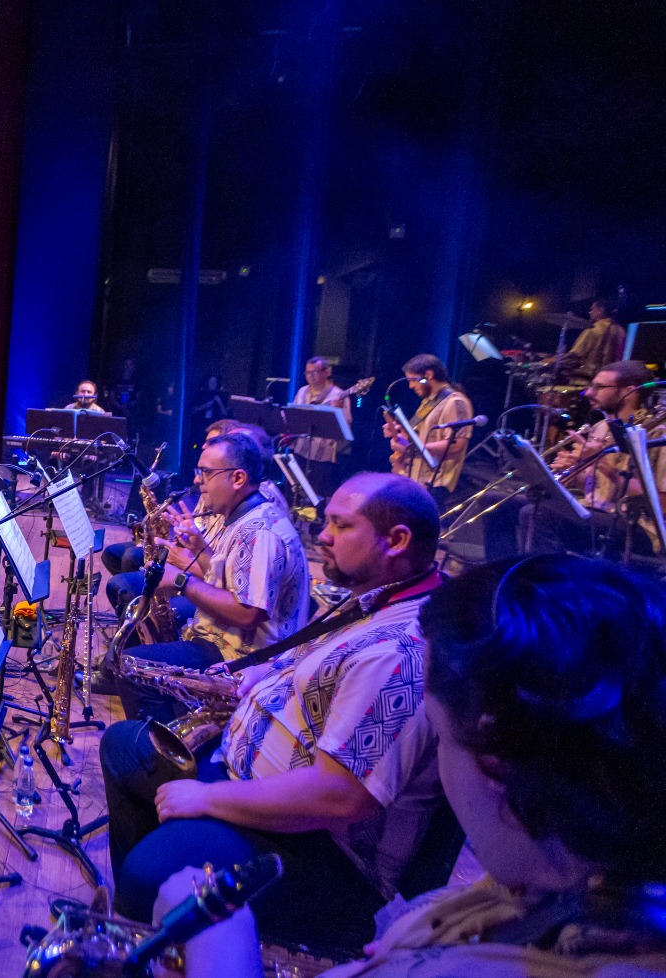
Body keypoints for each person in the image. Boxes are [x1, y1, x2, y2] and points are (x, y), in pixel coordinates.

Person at [164, 553, 666, 978]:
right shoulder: (578, 875)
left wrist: (219, 940)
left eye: (441, 738)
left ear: (495, 763)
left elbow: (341, 796)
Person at [102, 473, 446, 950]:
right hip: (253, 782)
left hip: (317, 852)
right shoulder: (375, 598)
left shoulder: (400, 651)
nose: (322, 536)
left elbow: (340, 798)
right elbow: (309, 657)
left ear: (397, 540)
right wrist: (257, 676)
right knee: (122, 747)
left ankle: (152, 918)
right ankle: (160, 931)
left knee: (148, 876)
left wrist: (204, 800)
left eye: (341, 527)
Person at [119, 432, 308, 670]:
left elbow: (248, 615)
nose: (198, 481)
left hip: (246, 658)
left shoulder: (259, 532)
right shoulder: (243, 516)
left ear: (238, 478)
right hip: (224, 639)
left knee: (129, 664)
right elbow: (231, 583)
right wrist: (202, 550)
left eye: (205, 472)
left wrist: (180, 580)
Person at [517, 360, 666, 557]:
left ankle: (545, 583)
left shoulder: (657, 434)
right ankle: (497, 579)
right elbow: (596, 490)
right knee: (506, 504)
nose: (588, 393)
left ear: (629, 391)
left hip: (640, 528)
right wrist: (576, 469)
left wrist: (603, 464)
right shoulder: (601, 427)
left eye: (599, 387)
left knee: (536, 514)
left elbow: (661, 503)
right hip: (596, 512)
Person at [383, 354, 474, 507]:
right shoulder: (428, 402)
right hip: (415, 479)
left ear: (428, 375)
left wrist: (412, 448)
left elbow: (457, 445)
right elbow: (418, 438)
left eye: (413, 380)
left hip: (434, 483)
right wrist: (398, 431)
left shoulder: (455, 402)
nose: (410, 386)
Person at [292, 356, 351, 497]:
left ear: (326, 372)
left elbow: (345, 428)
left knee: (317, 498)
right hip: (300, 451)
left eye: (315, 372)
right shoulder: (302, 391)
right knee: (295, 496)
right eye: (307, 372)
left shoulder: (339, 396)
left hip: (322, 456)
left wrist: (337, 412)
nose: (310, 376)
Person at [563, 297, 627, 382]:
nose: (590, 313)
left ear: (600, 311)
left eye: (592, 310)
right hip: (612, 381)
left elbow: (574, 356)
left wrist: (555, 361)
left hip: (588, 380)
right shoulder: (621, 331)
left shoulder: (592, 329)